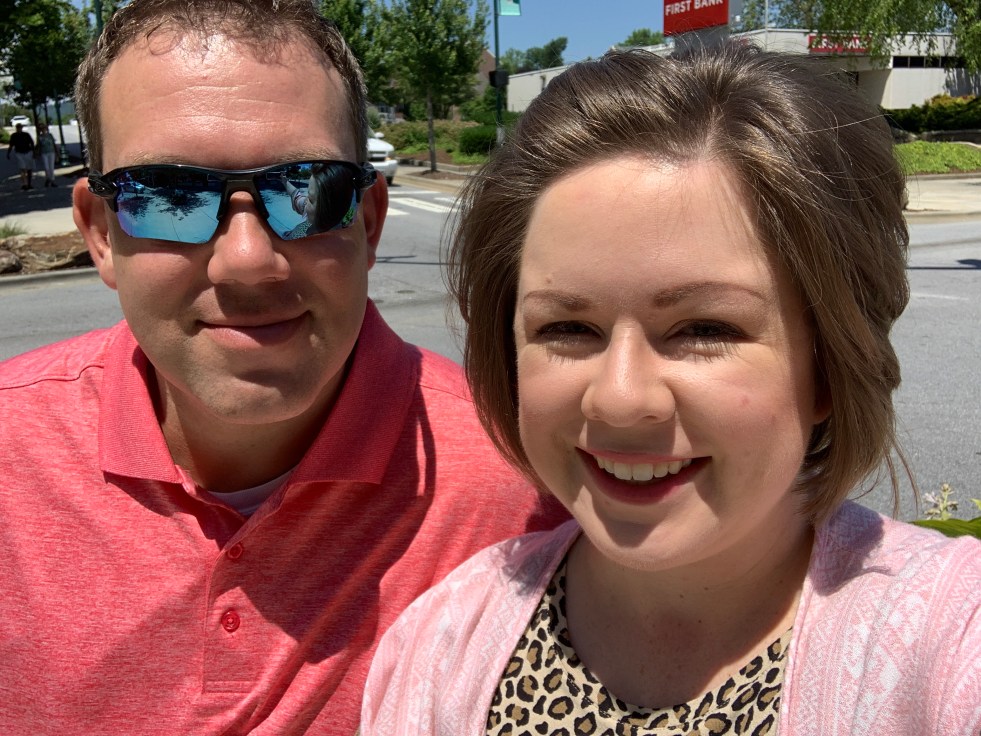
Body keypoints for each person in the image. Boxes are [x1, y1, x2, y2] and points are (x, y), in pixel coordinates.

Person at [362, 44, 981, 734]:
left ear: (829, 363)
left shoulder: (950, 638)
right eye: (567, 328)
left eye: (704, 328)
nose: (620, 399)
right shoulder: (441, 645)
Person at [0, 1, 564, 734]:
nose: (247, 261)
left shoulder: (530, 484)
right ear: (101, 233)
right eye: (169, 196)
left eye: (308, 189)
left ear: (368, 221)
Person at [6, 122, 34, 190]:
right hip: (19, 153)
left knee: (29, 169)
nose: (19, 129)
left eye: (20, 127)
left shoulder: (26, 135)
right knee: (22, 169)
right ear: (16, 128)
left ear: (22, 128)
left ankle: (29, 183)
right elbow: (11, 145)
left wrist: (34, 152)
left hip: (28, 152)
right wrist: (8, 153)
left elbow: (31, 143)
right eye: (18, 128)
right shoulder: (14, 135)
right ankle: (25, 184)